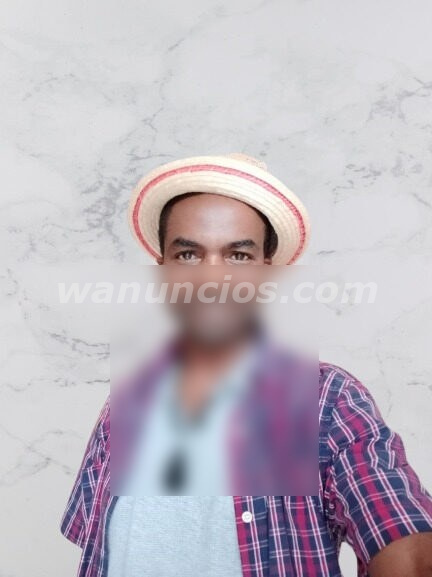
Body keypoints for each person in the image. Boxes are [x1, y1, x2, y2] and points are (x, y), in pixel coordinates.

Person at [61, 153, 432, 577]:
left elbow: (405, 542)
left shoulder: (325, 400)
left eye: (238, 255)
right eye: (188, 254)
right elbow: (98, 551)